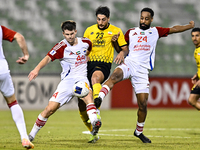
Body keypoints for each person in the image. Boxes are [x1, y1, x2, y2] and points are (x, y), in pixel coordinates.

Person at [94, 7, 195, 143]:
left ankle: (138, 131)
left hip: (142, 70)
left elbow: (174, 29)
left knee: (143, 104)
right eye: (141, 18)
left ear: (151, 19)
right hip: (130, 63)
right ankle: (99, 98)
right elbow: (123, 50)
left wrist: (189, 26)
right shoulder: (131, 32)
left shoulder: (155, 31)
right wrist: (114, 43)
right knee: (114, 76)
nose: (143, 21)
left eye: (146, 19)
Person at [27, 20, 101, 142]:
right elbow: (47, 58)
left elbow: (88, 50)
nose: (70, 37)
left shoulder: (86, 42)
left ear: (75, 32)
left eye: (71, 33)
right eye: (67, 34)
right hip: (67, 82)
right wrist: (36, 69)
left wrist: (86, 56)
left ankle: (95, 122)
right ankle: (31, 135)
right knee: (49, 109)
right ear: (63, 34)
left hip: (81, 78)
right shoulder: (61, 47)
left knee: (88, 97)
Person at [77, 6, 128, 143]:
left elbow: (124, 49)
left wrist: (121, 51)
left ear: (108, 19)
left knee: (95, 78)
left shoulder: (116, 31)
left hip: (103, 65)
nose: (100, 22)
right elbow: (83, 48)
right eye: (98, 19)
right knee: (81, 102)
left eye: (103, 20)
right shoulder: (89, 30)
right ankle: (93, 131)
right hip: (87, 66)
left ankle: (97, 113)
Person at [0, 26, 34, 149]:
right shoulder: (0, 28)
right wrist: (26, 55)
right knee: (13, 103)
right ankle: (24, 137)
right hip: (2, 70)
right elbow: (20, 37)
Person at [188, 27, 200, 110]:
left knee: (192, 99)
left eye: (197, 36)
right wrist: (197, 74)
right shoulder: (197, 50)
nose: (194, 38)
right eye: (193, 36)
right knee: (192, 100)